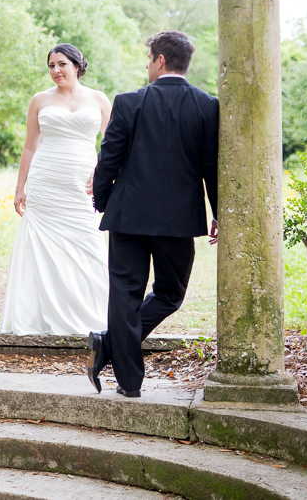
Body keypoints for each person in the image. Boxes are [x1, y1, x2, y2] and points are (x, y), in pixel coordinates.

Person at [86, 30, 219, 398]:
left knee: (125, 297)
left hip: (127, 216)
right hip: (179, 222)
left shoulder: (128, 102)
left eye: (149, 60)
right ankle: (111, 350)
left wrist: (103, 201)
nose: (147, 67)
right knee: (169, 294)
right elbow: (212, 166)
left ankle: (125, 376)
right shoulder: (208, 106)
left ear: (160, 60)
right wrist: (219, 212)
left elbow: (107, 160)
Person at [0, 43, 112, 335]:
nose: (55, 71)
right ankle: (38, 316)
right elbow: (30, 146)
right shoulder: (39, 100)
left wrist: (103, 173)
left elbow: (112, 144)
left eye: (61, 64)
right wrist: (19, 187)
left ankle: (91, 315)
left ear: (76, 65)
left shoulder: (98, 99)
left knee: (87, 243)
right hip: (45, 181)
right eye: (51, 66)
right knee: (42, 248)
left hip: (82, 186)